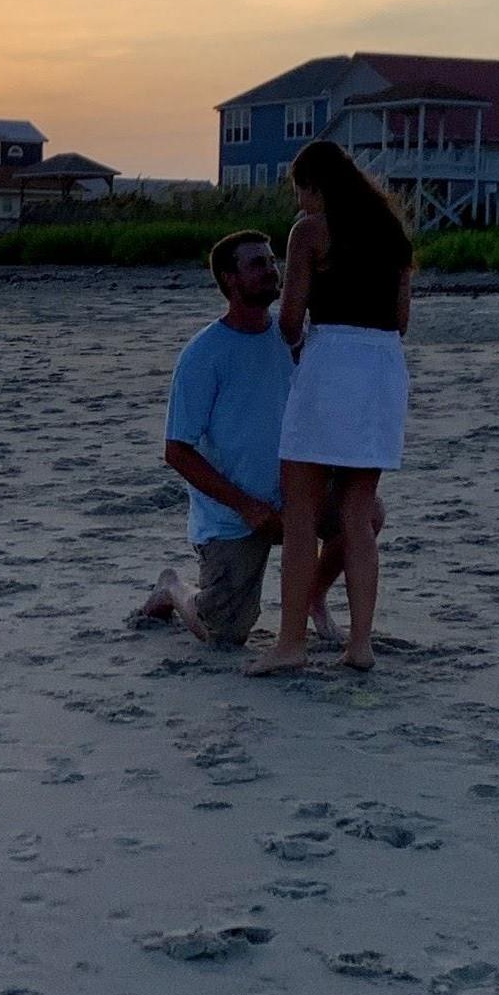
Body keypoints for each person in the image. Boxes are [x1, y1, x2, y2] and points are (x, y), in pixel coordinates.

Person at [140, 231, 380, 649]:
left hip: (297, 495)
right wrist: (248, 507)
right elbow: (177, 451)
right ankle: (173, 587)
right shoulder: (204, 353)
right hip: (234, 515)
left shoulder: (290, 337)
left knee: (367, 513)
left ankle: (313, 599)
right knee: (225, 633)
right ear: (230, 279)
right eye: (257, 264)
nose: (272, 271)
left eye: (272, 261)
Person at [246, 141, 412, 677]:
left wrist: (297, 347)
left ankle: (290, 642)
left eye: (300, 191)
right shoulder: (391, 233)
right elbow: (401, 320)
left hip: (333, 363)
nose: (300, 202)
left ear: (315, 187)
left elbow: (291, 317)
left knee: (301, 512)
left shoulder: (311, 231)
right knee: (357, 513)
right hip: (383, 368)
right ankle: (360, 644)